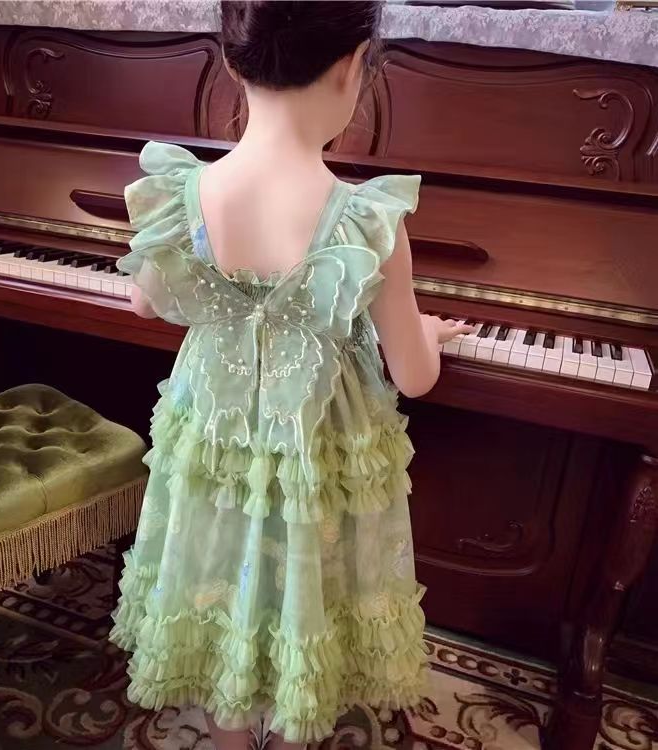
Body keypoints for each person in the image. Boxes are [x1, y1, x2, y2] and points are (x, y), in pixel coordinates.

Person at [110, 3, 473, 750]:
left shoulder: (184, 194)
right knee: (301, 593)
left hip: (217, 440)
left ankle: (227, 736)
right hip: (314, 451)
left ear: (230, 59)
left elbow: (146, 301)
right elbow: (414, 376)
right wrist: (426, 331)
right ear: (355, 65)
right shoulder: (366, 218)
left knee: (224, 591)